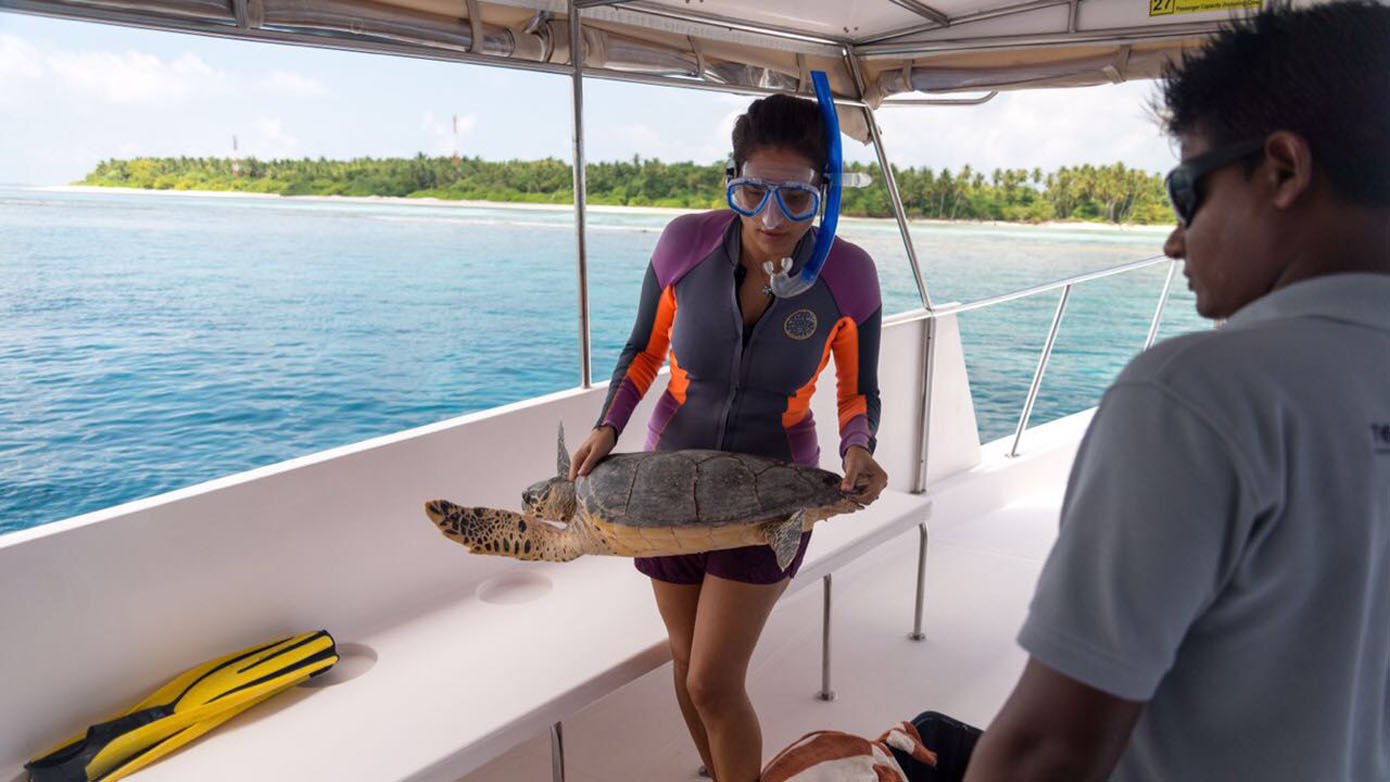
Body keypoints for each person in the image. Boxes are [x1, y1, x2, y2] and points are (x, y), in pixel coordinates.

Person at [963, 2, 1390, 780]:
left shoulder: (1199, 395)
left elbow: (1045, 752)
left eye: (1187, 191)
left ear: (1283, 170)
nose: (1173, 239)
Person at [568, 93, 889, 781]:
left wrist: (857, 447)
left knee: (714, 681)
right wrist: (607, 427)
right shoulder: (684, 244)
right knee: (687, 670)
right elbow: (642, 354)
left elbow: (857, 391)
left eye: (796, 201)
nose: (771, 219)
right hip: (666, 490)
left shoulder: (849, 276)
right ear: (732, 182)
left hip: (770, 497)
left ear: (822, 198)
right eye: (752, 193)